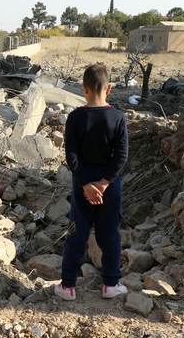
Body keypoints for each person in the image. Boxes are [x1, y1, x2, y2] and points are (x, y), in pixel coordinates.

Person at [55, 64, 129, 301]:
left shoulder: (75, 117)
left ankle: (68, 286)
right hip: (110, 187)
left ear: (84, 88)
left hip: (82, 185)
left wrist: (87, 184)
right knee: (110, 234)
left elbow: (71, 156)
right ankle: (111, 284)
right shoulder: (117, 117)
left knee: (77, 233)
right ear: (109, 88)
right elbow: (121, 156)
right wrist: (105, 183)